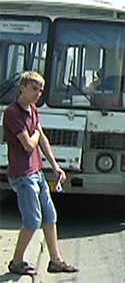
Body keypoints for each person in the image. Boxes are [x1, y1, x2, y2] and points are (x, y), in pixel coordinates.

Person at [3, 71, 78, 276]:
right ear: (23, 88)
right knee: (32, 221)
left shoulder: (32, 110)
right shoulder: (12, 113)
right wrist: (36, 132)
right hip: (22, 175)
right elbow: (28, 144)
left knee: (50, 216)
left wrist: (55, 166)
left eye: (41, 89)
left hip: (37, 172)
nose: (38, 93)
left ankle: (56, 260)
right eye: (34, 89)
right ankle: (16, 262)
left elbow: (42, 139)